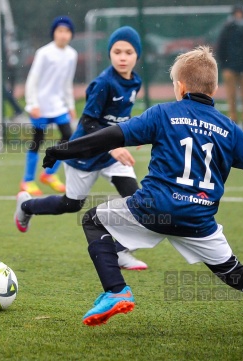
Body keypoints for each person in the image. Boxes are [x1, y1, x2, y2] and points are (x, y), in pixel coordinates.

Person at [40, 46, 243, 336]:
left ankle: (117, 291)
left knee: (93, 220)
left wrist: (64, 150)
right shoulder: (229, 129)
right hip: (198, 220)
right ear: (215, 88)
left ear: (180, 86)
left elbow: (111, 136)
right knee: (236, 273)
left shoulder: (163, 114)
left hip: (153, 209)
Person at [15, 26, 148, 271]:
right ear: (109, 54)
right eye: (117, 51)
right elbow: (88, 123)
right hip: (86, 154)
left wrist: (132, 132)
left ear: (136, 55)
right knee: (71, 205)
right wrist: (112, 147)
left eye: (128, 52)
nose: (122, 57)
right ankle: (27, 206)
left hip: (111, 154)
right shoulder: (103, 83)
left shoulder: (135, 81)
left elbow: (119, 118)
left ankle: (120, 251)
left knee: (136, 201)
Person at [19, 16, 77, 196]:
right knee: (38, 141)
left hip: (59, 105)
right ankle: (27, 180)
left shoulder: (72, 54)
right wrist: (33, 103)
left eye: (67, 31)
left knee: (69, 136)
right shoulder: (44, 53)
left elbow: (67, 82)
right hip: (41, 106)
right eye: (60, 31)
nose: (63, 35)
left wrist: (70, 104)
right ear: (54, 33)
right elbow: (32, 80)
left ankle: (49, 173)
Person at [216, 4, 243, 133]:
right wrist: (225, 66)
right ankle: (233, 121)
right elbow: (220, 48)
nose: (239, 16)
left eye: (241, 13)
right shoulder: (227, 29)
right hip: (230, 69)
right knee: (231, 97)